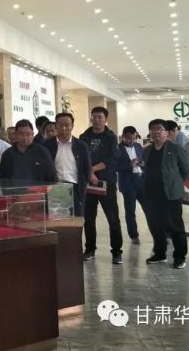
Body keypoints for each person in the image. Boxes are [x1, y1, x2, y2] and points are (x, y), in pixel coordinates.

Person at [142, 119, 189, 269]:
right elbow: (144, 169)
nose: (156, 132)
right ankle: (160, 253)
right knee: (156, 225)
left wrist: (174, 183)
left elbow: (185, 170)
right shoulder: (147, 150)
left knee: (175, 225)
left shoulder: (175, 148)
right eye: (153, 129)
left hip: (171, 193)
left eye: (159, 129)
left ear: (167, 132)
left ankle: (180, 256)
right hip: (151, 193)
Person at [79, 106, 123, 264]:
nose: (96, 120)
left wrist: (92, 170)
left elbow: (112, 159)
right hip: (88, 183)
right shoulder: (84, 136)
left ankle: (116, 251)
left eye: (100, 117)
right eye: (94, 117)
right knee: (89, 218)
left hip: (106, 183)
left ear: (105, 119)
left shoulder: (111, 137)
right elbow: (80, 157)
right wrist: (89, 173)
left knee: (113, 218)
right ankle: (90, 249)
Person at [43, 113, 91, 217]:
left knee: (76, 219)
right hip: (55, 188)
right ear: (56, 126)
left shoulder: (81, 146)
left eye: (67, 125)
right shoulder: (46, 146)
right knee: (58, 220)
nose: (64, 128)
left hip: (75, 188)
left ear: (72, 126)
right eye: (60, 125)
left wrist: (83, 185)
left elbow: (86, 168)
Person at [117, 126, 146, 244]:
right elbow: (115, 166)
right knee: (130, 211)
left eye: (134, 138)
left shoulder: (138, 146)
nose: (131, 141)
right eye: (129, 139)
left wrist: (142, 163)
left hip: (140, 180)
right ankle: (134, 235)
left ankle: (159, 233)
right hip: (127, 182)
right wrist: (130, 165)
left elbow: (144, 159)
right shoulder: (117, 149)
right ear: (123, 137)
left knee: (149, 208)